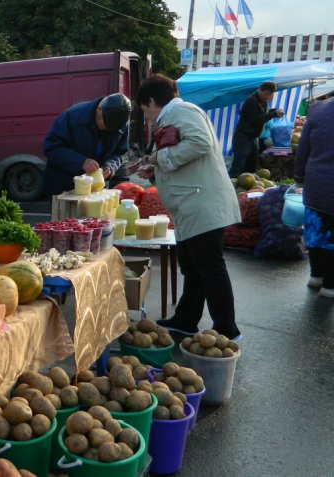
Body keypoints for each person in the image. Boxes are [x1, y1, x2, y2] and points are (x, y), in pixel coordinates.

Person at [135, 74, 243, 341]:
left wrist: (158, 157)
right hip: (190, 204)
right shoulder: (175, 115)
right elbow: (184, 156)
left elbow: (199, 143)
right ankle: (186, 319)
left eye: (145, 109)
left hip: (201, 202)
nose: (146, 116)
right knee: (193, 267)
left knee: (209, 267)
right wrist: (155, 169)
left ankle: (227, 330)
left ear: (152, 101)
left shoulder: (182, 111)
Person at [42, 93, 132, 197]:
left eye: (112, 129)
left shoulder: (121, 124)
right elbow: (51, 147)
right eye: (105, 125)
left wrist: (111, 166)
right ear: (99, 109)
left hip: (95, 188)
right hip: (64, 187)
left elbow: (121, 153)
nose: (107, 130)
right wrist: (81, 161)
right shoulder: (73, 116)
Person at [293, 97, 334, 298]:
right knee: (332, 237)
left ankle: (316, 276)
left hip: (316, 182)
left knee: (315, 230)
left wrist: (299, 178)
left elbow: (303, 149)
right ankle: (330, 285)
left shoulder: (318, 109)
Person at [229, 81, 284, 177]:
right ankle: (232, 183)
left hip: (253, 137)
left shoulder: (262, 101)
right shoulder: (251, 101)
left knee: (252, 164)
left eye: (270, 95)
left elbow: (263, 114)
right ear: (260, 90)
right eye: (266, 94)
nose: (268, 97)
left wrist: (274, 111)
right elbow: (256, 119)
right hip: (243, 137)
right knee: (239, 165)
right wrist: (273, 114)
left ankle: (249, 184)